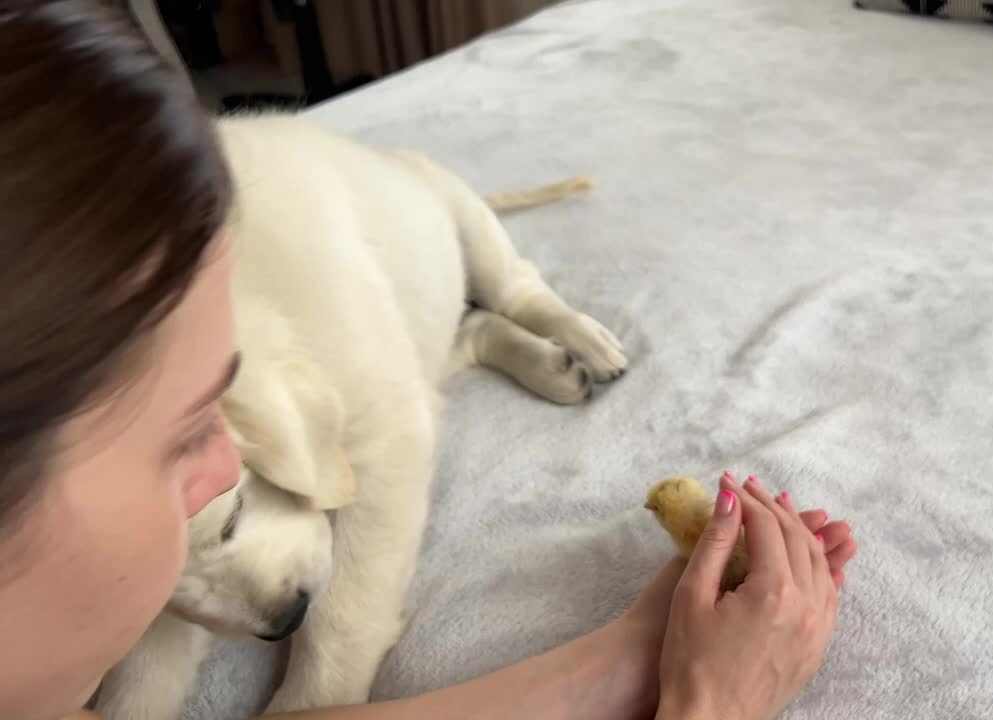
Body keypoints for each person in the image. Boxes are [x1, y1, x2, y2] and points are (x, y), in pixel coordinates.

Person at [0, 3, 859, 720]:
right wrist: (713, 706)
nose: (229, 455)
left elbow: (384, 432)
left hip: (411, 220)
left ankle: (505, 312)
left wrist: (630, 656)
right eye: (184, 432)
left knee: (465, 238)